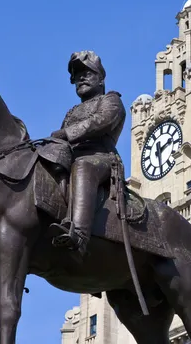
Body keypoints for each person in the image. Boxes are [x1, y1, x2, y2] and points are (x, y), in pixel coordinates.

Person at [49, 50, 126, 256]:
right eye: (76, 76)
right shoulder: (72, 111)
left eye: (87, 73)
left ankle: (79, 236)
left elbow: (101, 121)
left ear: (100, 79)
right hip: (71, 157)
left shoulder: (111, 100)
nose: (80, 78)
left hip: (101, 159)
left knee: (83, 166)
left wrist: (67, 133)